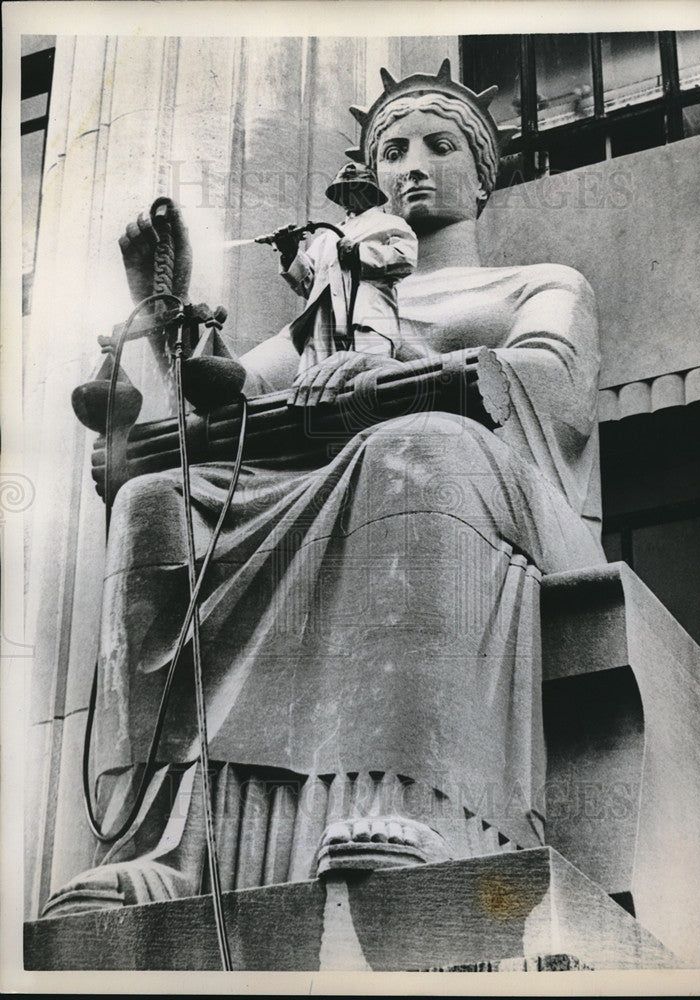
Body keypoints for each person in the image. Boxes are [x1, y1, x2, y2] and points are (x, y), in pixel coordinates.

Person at [44, 60, 606, 915]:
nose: (412, 165)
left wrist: (390, 363)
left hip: (494, 489)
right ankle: (166, 843)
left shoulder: (536, 284)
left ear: (480, 174)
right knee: (155, 505)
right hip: (345, 481)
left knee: (413, 448)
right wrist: (162, 311)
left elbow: (547, 393)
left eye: (438, 146)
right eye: (393, 152)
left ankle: (421, 809)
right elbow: (224, 405)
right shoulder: (330, 303)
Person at [274, 161, 420, 370]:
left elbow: (405, 259)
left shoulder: (390, 224)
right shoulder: (326, 238)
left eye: (353, 187)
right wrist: (290, 253)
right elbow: (308, 284)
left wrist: (359, 252)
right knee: (315, 383)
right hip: (323, 322)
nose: (346, 195)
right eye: (341, 190)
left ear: (370, 192)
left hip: (367, 314)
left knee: (368, 379)